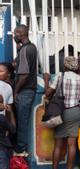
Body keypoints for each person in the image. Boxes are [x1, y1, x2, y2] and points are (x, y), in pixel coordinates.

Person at [44, 56, 80, 169]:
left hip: (60, 112)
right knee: (72, 144)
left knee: (58, 144)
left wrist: (46, 80)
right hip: (75, 112)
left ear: (65, 65)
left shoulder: (60, 76)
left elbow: (48, 93)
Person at [13, 24, 37, 156]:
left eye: (15, 33)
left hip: (25, 91)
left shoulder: (25, 50)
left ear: (20, 34)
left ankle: (21, 149)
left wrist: (16, 91)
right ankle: (21, 148)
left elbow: (24, 74)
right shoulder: (31, 48)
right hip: (29, 90)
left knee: (22, 121)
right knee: (23, 120)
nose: (14, 36)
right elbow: (16, 64)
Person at [0, 63, 16, 169]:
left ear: (9, 74)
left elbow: (9, 109)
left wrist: (12, 126)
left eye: (1, 71)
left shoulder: (8, 88)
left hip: (2, 124)